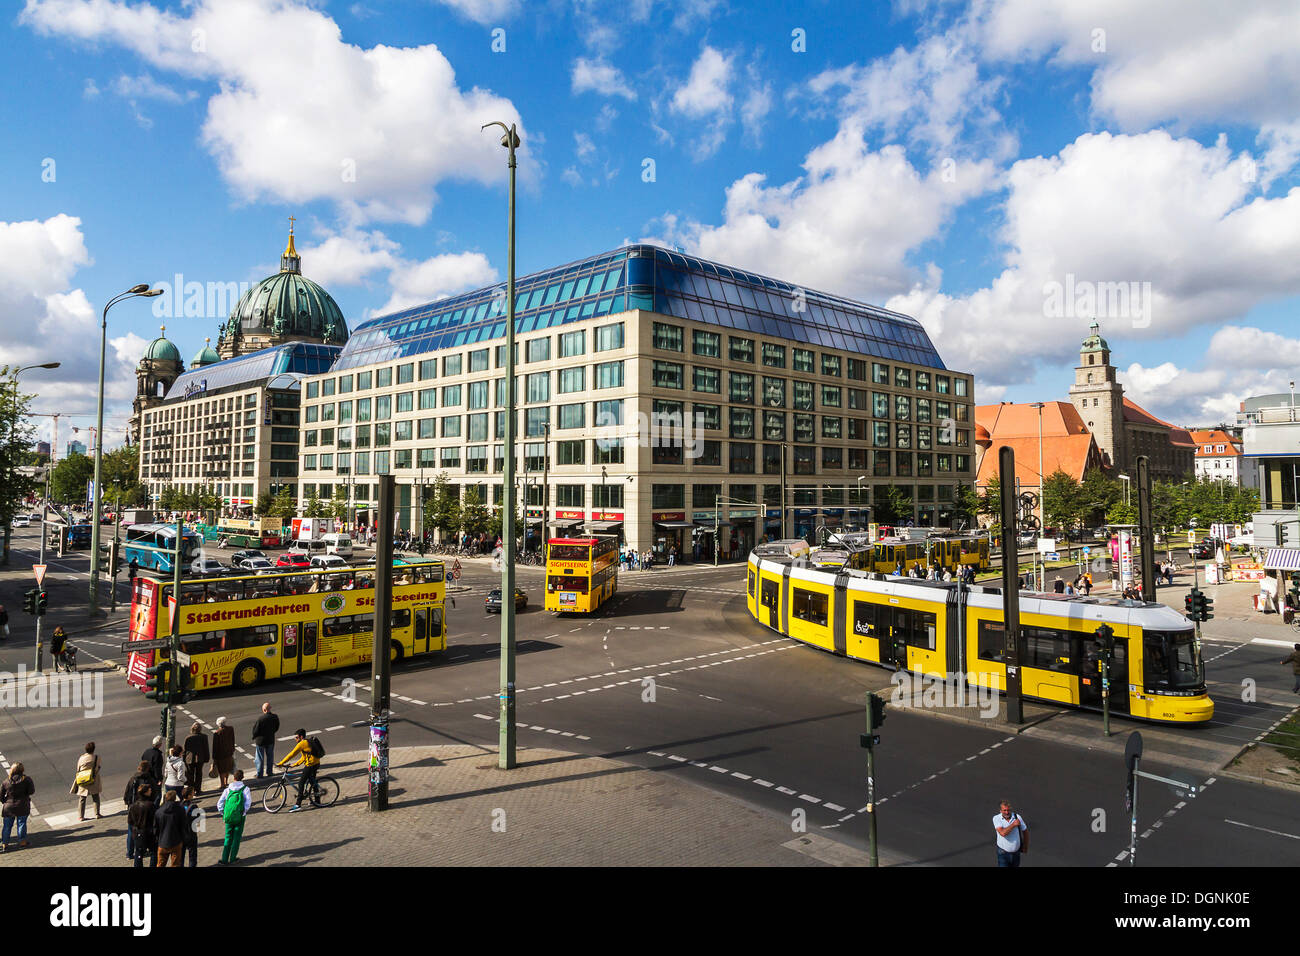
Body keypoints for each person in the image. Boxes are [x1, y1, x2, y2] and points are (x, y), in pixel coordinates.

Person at [276, 729, 320, 812]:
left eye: (296, 737)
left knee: (301, 783)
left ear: (301, 737)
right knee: (312, 781)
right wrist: (294, 765)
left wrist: (281, 763)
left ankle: (298, 804)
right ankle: (317, 801)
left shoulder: (302, 743)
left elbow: (291, 754)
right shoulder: (307, 742)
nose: (295, 739)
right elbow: (304, 757)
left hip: (311, 765)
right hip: (316, 763)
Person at [122, 760, 156, 860]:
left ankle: (129, 853)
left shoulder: (133, 779)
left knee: (131, 830)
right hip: (145, 808)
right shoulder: (149, 779)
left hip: (133, 808)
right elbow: (155, 794)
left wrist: (129, 804)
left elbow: (126, 794)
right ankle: (142, 849)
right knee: (145, 829)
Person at [218, 769, 252, 865]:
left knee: (228, 837)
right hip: (240, 817)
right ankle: (233, 858)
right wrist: (243, 812)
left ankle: (224, 859)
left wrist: (223, 813)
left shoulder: (228, 789)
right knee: (236, 838)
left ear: (234, 778)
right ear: (243, 778)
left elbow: (219, 803)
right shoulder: (245, 789)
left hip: (228, 817)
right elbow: (248, 803)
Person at [0, 763, 35, 852]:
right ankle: (22, 842)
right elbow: (31, 791)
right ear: (22, 770)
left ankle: (5, 844)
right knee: (21, 824)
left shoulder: (6, 781)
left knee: (7, 826)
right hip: (22, 805)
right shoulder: (26, 779)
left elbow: (1, 795)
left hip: (8, 807)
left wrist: (5, 801)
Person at [69, 742, 102, 820]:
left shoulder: (81, 758)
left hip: (83, 779)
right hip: (93, 779)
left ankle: (81, 816)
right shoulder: (97, 757)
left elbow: (78, 769)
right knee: (96, 796)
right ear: (93, 749)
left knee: (82, 798)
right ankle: (97, 814)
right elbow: (98, 767)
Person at [154, 790, 187, 867]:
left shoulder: (159, 811)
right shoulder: (180, 809)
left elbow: (155, 828)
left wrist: (157, 838)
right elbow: (183, 825)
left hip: (162, 842)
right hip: (176, 841)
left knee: (160, 864)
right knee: (175, 864)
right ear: (175, 798)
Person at [128, 784, 157, 868]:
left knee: (138, 853)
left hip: (137, 832)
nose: (151, 791)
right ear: (145, 793)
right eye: (149, 790)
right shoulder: (150, 805)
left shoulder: (133, 806)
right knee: (153, 852)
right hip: (149, 832)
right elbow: (155, 819)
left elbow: (130, 821)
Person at [993, 800, 1028, 867]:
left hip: (1016, 853)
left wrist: (1025, 846)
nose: (1007, 812)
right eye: (1004, 810)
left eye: (1008, 810)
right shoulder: (996, 818)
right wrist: (1013, 824)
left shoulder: (1017, 817)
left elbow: (1025, 831)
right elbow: (1003, 833)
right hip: (1003, 854)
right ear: (1000, 811)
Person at [251, 702, 280, 779]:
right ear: (270, 709)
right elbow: (277, 727)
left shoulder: (261, 718)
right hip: (270, 739)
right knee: (270, 756)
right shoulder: (275, 717)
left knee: (260, 758)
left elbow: (256, 730)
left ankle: (260, 774)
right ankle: (269, 772)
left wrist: (254, 736)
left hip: (260, 741)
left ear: (264, 710)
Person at [182, 722, 210, 794]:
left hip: (189, 759)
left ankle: (191, 790)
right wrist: (207, 758)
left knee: (190, 775)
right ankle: (198, 789)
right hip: (200, 758)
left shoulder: (188, 738)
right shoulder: (204, 737)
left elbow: (185, 750)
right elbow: (206, 748)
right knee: (199, 774)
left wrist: (183, 759)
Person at [212, 716, 236, 788]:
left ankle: (222, 784)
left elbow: (215, 746)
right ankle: (226, 781)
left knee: (221, 769)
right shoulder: (230, 729)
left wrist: (214, 757)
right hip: (229, 752)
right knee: (227, 768)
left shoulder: (217, 733)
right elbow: (233, 739)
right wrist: (232, 749)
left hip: (220, 755)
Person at [181, 787, 201, 868]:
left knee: (180, 855)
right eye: (193, 792)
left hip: (181, 834)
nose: (194, 793)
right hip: (191, 833)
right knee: (192, 854)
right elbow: (198, 818)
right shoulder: (194, 806)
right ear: (189, 796)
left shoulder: (179, 805)